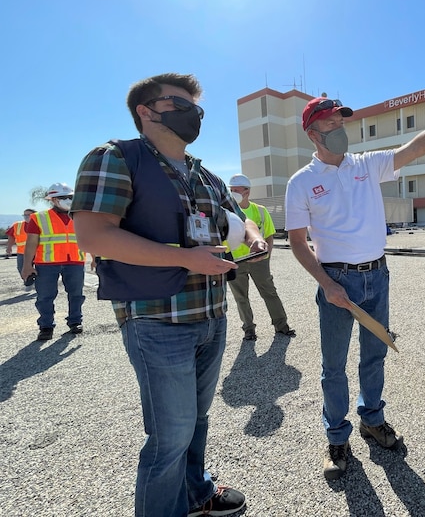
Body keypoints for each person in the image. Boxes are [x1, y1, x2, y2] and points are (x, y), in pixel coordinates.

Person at [285, 92, 425, 479]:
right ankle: (337, 437)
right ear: (312, 133)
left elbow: (415, 146)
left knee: (375, 355)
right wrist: (326, 284)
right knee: (333, 367)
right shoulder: (301, 182)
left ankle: (372, 418)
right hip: (336, 280)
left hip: (377, 275)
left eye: (342, 123)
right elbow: (297, 242)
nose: (339, 129)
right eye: (330, 125)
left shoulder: (365, 166)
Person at [71, 73, 264, 517]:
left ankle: (196, 494)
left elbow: (241, 217)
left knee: (196, 422)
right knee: (169, 436)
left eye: (196, 107)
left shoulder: (203, 173)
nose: (194, 114)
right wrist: (183, 258)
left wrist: (254, 238)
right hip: (156, 319)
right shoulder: (115, 157)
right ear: (146, 110)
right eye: (181, 104)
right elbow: (94, 235)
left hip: (211, 315)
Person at [227, 174, 296, 340]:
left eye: (237, 189)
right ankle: (249, 330)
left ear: (247, 191)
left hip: (258, 261)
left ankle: (281, 325)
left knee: (269, 293)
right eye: (231, 190)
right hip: (235, 261)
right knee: (241, 297)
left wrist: (266, 258)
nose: (233, 192)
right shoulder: (226, 213)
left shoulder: (260, 211)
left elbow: (269, 236)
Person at [21, 186, 85, 341]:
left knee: (76, 295)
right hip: (47, 263)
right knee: (45, 296)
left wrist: (95, 258)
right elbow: (31, 243)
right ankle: (46, 326)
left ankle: (75, 322)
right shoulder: (39, 218)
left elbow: (88, 237)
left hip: (75, 261)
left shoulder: (80, 216)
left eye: (70, 197)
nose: (69, 201)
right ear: (54, 200)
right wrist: (27, 265)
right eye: (64, 198)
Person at [6, 208, 35, 277]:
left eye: (29, 215)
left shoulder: (41, 224)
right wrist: (9, 247)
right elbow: (11, 236)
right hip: (22, 252)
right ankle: (29, 283)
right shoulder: (17, 225)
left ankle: (39, 284)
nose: (26, 216)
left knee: (41, 270)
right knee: (21, 269)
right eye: (25, 215)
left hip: (38, 252)